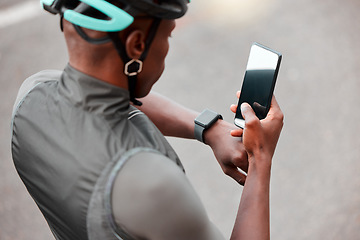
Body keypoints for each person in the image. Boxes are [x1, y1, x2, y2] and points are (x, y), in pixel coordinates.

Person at [11, 0, 284, 239]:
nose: (166, 47)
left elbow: (104, 93)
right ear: (137, 45)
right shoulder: (152, 185)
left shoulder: (30, 97)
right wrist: (260, 157)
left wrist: (209, 129)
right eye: (169, 36)